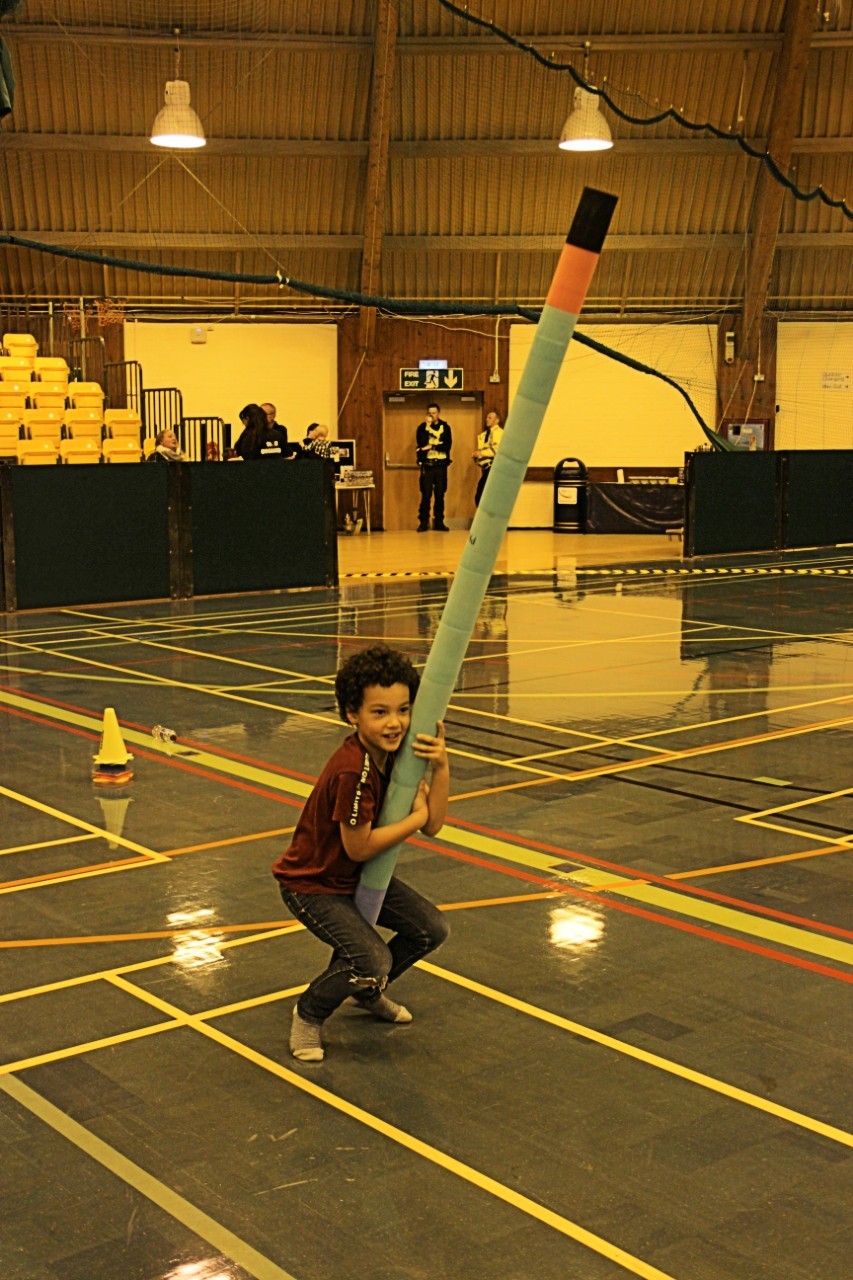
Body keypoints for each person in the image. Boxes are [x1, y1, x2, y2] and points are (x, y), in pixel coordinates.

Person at [272, 644, 450, 1064]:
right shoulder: (354, 770)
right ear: (352, 714)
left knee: (431, 929)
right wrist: (415, 818)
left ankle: (368, 992)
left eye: (403, 710)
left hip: (357, 876)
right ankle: (310, 1013)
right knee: (371, 956)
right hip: (314, 884)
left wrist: (441, 767)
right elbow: (359, 845)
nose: (395, 723)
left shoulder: (397, 756)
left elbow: (434, 823)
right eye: (380, 712)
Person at [415, 401, 452, 531]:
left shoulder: (445, 427)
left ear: (438, 413)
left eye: (434, 413)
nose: (431, 415)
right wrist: (427, 427)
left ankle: (439, 522)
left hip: (441, 466)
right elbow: (421, 444)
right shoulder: (422, 428)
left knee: (440, 495)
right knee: (425, 495)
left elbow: (447, 446)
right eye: (429, 413)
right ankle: (423, 522)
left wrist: (433, 446)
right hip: (427, 465)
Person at [472, 409, 504, 506]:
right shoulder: (485, 435)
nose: (487, 419)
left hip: (494, 468)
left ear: (497, 421)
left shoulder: (498, 433)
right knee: (481, 495)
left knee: (481, 496)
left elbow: (496, 450)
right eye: (487, 417)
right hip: (486, 468)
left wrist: (480, 453)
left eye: (490, 418)